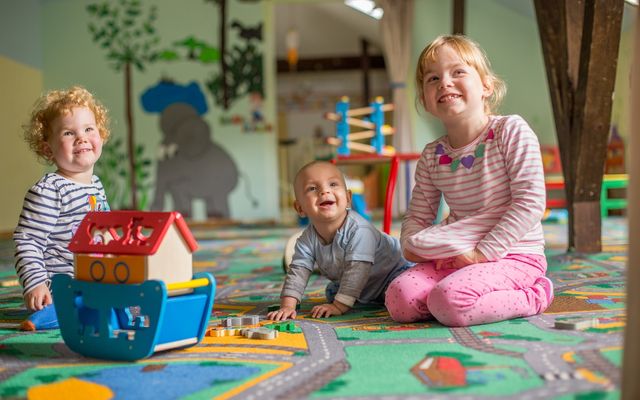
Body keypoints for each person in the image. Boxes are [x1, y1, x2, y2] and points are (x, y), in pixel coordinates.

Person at [384, 35, 553, 327]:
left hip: (513, 255)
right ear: (425, 99)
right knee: (399, 298)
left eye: (458, 72)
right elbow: (418, 216)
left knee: (450, 301)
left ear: (486, 86)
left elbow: (530, 202)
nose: (444, 83)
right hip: (455, 256)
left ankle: (534, 295)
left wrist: (481, 254)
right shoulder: (432, 154)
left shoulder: (511, 130)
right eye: (433, 78)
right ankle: (449, 298)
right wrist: (411, 245)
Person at [14, 86, 110, 326]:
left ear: (101, 136)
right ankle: (45, 318)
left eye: (89, 129)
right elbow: (28, 240)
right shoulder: (50, 190)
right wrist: (35, 283)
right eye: (68, 133)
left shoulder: (96, 185)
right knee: (80, 309)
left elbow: (104, 231)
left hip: (95, 278)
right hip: (62, 285)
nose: (82, 138)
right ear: (48, 148)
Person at [267, 161, 412, 321]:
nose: (324, 191)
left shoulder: (360, 231)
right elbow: (298, 271)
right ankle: (374, 298)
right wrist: (288, 306)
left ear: (348, 198)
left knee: (404, 292)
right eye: (313, 188)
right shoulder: (306, 239)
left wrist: (338, 306)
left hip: (396, 271)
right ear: (300, 208)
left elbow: (357, 270)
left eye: (333, 184)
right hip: (366, 284)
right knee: (332, 292)